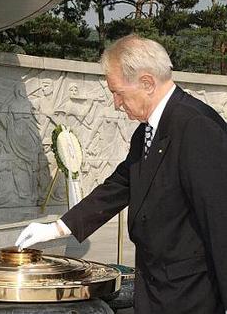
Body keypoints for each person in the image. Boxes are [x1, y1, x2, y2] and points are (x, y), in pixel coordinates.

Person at [15, 35, 227, 313]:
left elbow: (220, 221)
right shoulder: (148, 131)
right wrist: (58, 228)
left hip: (189, 296)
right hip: (155, 290)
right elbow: (119, 185)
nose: (116, 103)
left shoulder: (196, 126)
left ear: (147, 83)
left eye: (118, 92)